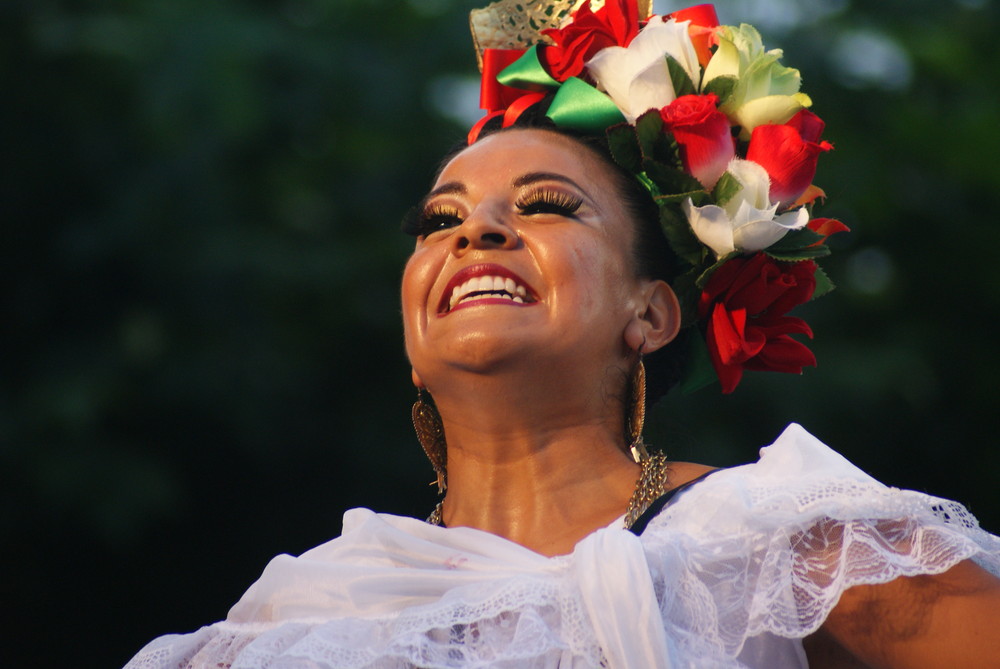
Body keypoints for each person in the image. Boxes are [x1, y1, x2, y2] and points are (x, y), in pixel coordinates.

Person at [124, 1, 1000, 667]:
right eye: (439, 221)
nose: (476, 233)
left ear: (651, 312)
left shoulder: (774, 544)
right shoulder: (292, 623)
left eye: (547, 205)